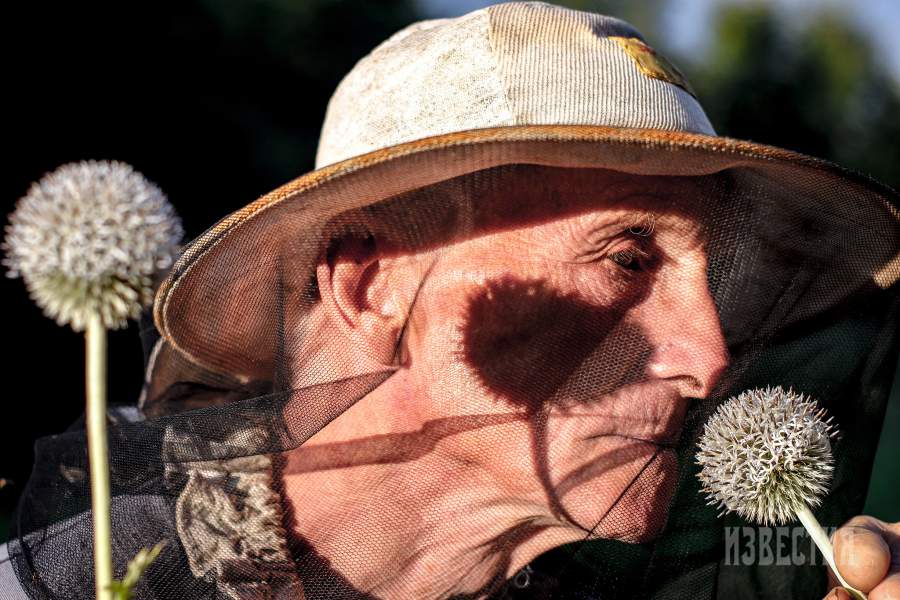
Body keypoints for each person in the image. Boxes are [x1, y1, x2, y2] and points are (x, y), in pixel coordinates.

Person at [3, 2, 899, 599]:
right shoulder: (78, 580)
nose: (711, 358)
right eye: (627, 258)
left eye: (718, 284)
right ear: (369, 281)